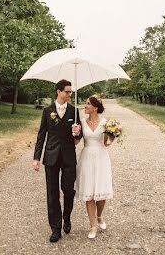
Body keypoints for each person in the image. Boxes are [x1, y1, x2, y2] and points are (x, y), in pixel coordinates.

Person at [33, 79, 82, 243]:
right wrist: (36, 158)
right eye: (67, 92)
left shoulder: (74, 112)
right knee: (52, 193)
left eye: (71, 92)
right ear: (58, 92)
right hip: (51, 156)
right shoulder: (48, 111)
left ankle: (66, 216)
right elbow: (41, 134)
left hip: (68, 156)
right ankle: (55, 228)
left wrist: (76, 133)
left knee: (68, 190)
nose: (69, 94)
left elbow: (78, 138)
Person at [75, 95, 114, 239]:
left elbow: (107, 143)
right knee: (89, 194)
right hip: (86, 158)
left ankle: (99, 216)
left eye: (88, 104)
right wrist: (75, 133)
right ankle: (92, 226)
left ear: (95, 107)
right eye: (85, 104)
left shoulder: (105, 123)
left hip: (101, 158)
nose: (85, 106)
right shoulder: (82, 122)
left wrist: (112, 134)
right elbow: (75, 143)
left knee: (101, 195)